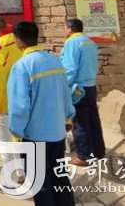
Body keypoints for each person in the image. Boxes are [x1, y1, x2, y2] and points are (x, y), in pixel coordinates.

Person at [8, 21, 75, 206]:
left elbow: (19, 107)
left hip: (34, 136)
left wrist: (16, 132)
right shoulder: (55, 61)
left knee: (41, 185)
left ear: (19, 41)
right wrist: (68, 118)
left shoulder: (22, 66)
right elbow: (66, 93)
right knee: (60, 179)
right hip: (57, 132)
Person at [60, 18, 106, 166]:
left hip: (78, 88)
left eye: (65, 28)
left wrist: (63, 86)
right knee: (93, 120)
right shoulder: (90, 42)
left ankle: (84, 156)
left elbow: (69, 68)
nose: (64, 31)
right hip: (90, 86)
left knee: (79, 122)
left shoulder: (71, 43)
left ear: (69, 29)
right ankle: (98, 151)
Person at [0, 28, 24, 192]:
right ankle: (22, 175)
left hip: (4, 108)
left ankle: (8, 181)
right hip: (23, 106)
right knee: (19, 143)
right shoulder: (23, 51)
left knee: (5, 146)